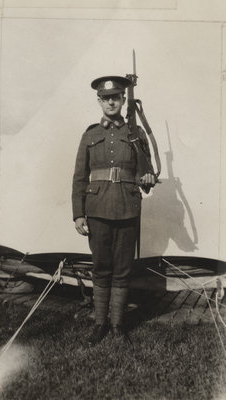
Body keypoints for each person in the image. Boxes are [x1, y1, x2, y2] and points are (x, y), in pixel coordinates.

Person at [72, 76, 155, 345]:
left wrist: (147, 179)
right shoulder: (90, 135)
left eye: (116, 97)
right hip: (96, 209)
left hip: (127, 208)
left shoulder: (136, 134)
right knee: (100, 267)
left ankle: (118, 325)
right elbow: (79, 177)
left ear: (122, 100)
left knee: (122, 268)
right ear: (99, 101)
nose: (111, 102)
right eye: (106, 98)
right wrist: (78, 213)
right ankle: (99, 324)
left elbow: (147, 176)